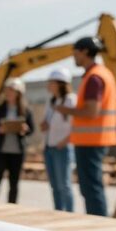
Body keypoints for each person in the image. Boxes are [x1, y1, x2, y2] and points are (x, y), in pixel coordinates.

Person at [55, 37, 116, 216]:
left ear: (84, 52)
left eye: (75, 52)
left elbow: (91, 112)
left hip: (91, 140)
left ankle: (98, 222)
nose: (73, 56)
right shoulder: (102, 74)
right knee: (91, 186)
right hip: (95, 139)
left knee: (91, 187)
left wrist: (65, 110)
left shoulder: (94, 77)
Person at [0, 78, 34, 204]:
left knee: (14, 184)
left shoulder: (26, 110)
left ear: (18, 93)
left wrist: (25, 130)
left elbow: (31, 129)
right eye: (7, 90)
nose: (9, 93)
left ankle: (12, 207)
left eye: (12, 91)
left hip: (17, 153)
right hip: (0, 151)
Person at [41, 68, 76, 211]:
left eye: (51, 82)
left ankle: (69, 213)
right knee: (55, 185)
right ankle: (58, 212)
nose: (48, 85)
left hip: (62, 147)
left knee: (64, 185)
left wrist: (65, 141)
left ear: (61, 83)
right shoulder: (52, 101)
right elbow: (49, 123)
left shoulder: (71, 100)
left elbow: (77, 126)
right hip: (49, 147)